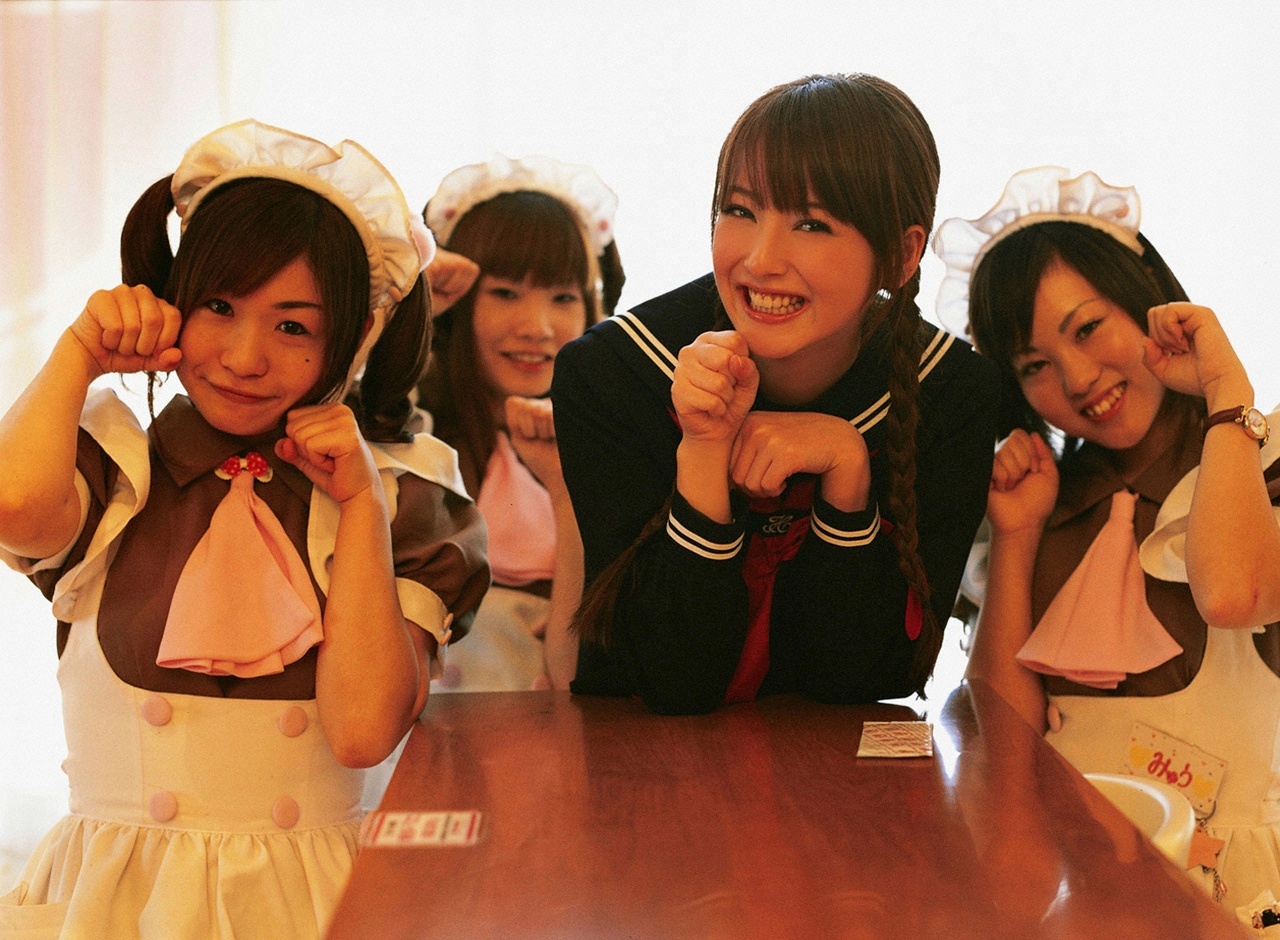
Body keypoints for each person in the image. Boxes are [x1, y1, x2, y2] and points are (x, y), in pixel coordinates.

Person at [0, 120, 489, 939]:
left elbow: (363, 731)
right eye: (220, 307)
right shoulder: (115, 464)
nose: (244, 355)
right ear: (175, 301)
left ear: (353, 339)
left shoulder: (403, 498)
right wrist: (80, 351)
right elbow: (12, 506)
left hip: (312, 900)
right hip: (117, 902)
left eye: (293, 326)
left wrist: (362, 508)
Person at [551, 73, 999, 715]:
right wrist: (704, 448)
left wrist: (848, 470)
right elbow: (669, 682)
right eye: (740, 211)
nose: (760, 260)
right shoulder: (613, 371)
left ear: (903, 256)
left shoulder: (952, 390)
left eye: (812, 223)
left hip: (831, 772)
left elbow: (869, 680)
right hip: (636, 766)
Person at [935, 166, 1280, 917]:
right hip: (1083, 894)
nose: (1078, 378)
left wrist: (1227, 396)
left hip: (1242, 898)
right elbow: (1004, 738)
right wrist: (1018, 534)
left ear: (1149, 301)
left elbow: (1232, 594)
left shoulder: (1262, 461)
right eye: (1034, 366)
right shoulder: (1044, 505)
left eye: (1087, 328)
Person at [417, 154, 624, 691]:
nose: (537, 327)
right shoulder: (411, 435)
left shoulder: (618, 448)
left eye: (563, 297)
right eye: (505, 292)